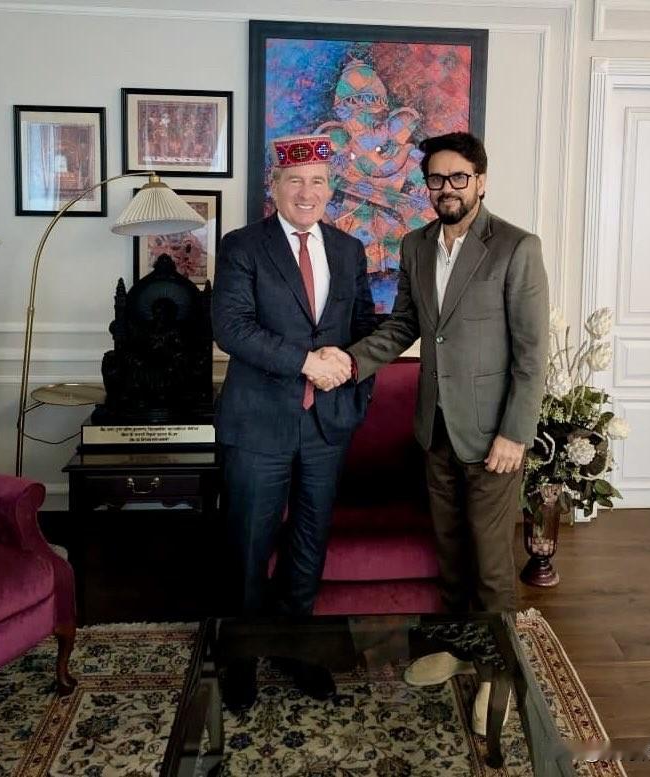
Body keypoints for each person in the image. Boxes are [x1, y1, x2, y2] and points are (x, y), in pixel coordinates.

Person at [319, 132, 549, 734]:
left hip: (493, 437)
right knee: (449, 556)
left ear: (481, 182)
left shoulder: (516, 247)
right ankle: (459, 649)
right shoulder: (416, 245)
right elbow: (404, 326)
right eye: (436, 179)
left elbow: (532, 355)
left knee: (490, 565)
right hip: (435, 430)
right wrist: (348, 362)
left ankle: (499, 676)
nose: (446, 189)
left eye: (458, 178)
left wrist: (515, 433)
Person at [211, 133, 376, 710]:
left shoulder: (349, 249)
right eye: (296, 181)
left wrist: (350, 368)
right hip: (259, 423)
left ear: (331, 189)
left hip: (326, 424)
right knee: (248, 546)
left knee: (309, 544)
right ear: (274, 186)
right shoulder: (242, 247)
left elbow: (363, 325)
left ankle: (295, 648)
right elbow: (232, 328)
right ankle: (240, 658)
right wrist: (307, 362)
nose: (308, 192)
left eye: (318, 182)